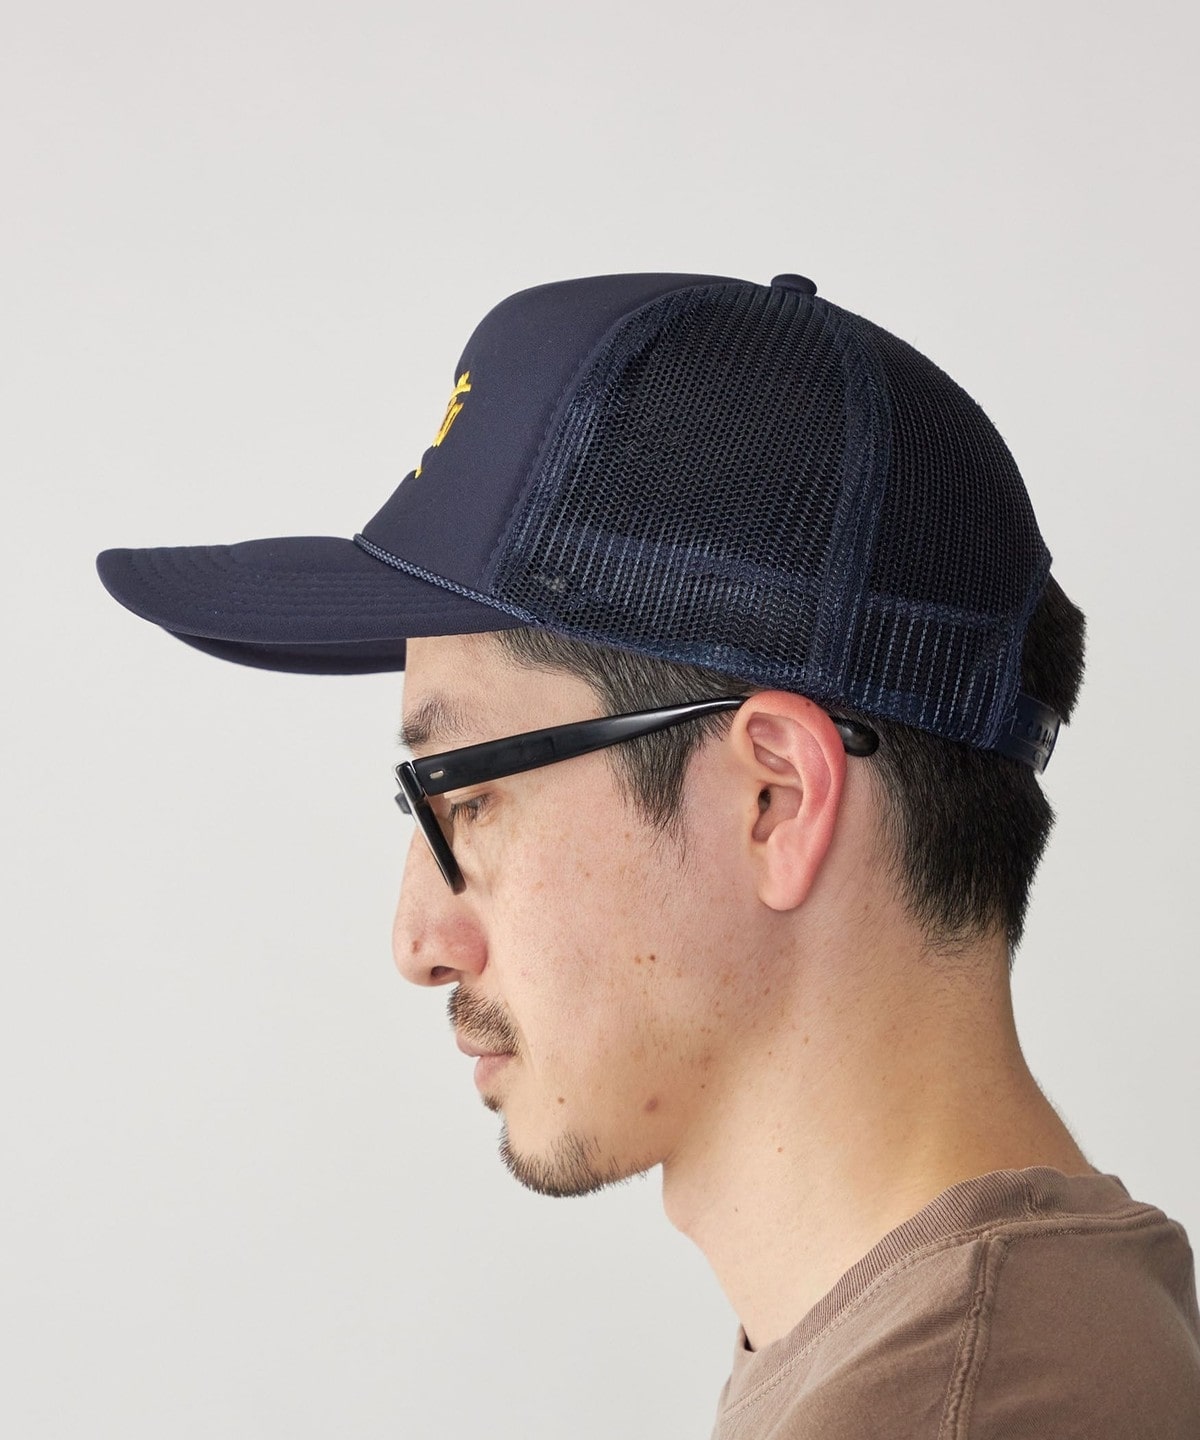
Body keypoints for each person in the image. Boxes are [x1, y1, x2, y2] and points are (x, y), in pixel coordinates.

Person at [97, 270, 1200, 1436]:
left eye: (468, 797)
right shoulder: (1008, 1343)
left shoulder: (960, 1407)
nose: (419, 942)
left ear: (774, 799)